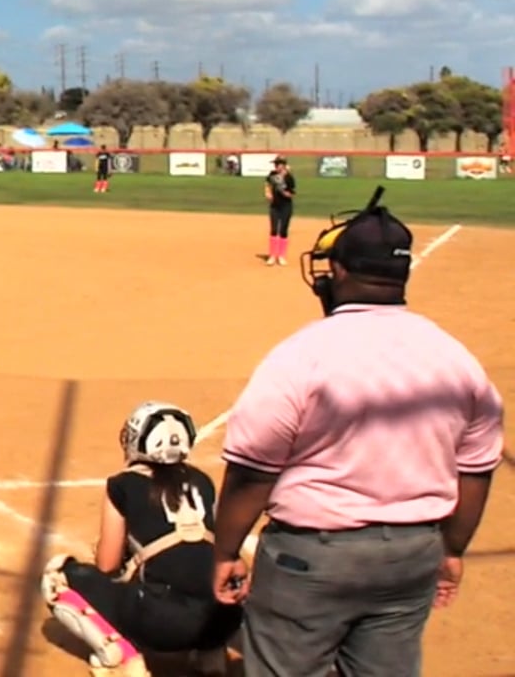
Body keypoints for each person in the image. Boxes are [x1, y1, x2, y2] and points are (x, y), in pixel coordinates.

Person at [211, 189, 504, 677]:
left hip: (312, 560)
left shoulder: (299, 356)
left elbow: (252, 473)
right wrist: (451, 549)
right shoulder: (458, 360)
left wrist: (225, 551)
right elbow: (476, 472)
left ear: (339, 271)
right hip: (411, 557)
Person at [42, 402, 242, 676]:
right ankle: (210, 655)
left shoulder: (122, 484)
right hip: (223, 620)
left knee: (57, 576)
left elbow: (107, 565)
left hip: (164, 626)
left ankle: (121, 658)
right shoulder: (203, 482)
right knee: (198, 573)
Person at [262, 157, 295, 266]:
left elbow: (292, 193)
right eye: (275, 164)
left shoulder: (289, 177)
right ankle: (272, 255)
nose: (275, 166)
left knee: (283, 231)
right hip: (274, 206)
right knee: (274, 230)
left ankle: (281, 256)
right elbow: (267, 183)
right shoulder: (272, 174)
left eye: (277, 164)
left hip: (286, 206)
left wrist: (285, 192)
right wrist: (267, 192)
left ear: (283, 165)